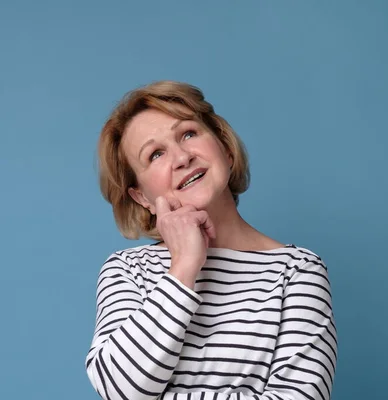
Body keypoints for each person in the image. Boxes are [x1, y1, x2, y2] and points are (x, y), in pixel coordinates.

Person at [85, 81, 337, 400]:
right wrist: (184, 267)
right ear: (141, 196)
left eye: (188, 134)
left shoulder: (298, 271)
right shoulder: (126, 270)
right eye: (155, 154)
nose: (181, 157)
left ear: (225, 148)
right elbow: (119, 390)